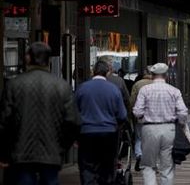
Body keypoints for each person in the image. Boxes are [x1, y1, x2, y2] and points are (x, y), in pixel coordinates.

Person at [0, 42, 80, 185]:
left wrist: (5, 154)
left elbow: (5, 122)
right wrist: (61, 148)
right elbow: (72, 122)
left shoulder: (14, 85)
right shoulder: (62, 86)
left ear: (28, 59)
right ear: (48, 60)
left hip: (21, 155)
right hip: (51, 155)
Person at [133, 62, 188, 185]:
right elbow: (183, 112)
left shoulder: (144, 90)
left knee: (148, 165)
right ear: (166, 75)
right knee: (167, 166)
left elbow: (137, 111)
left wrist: (142, 117)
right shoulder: (174, 91)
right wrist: (181, 124)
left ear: (152, 75)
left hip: (149, 129)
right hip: (169, 128)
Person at [75, 60, 128, 185]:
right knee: (107, 169)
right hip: (109, 134)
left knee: (87, 168)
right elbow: (122, 115)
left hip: (86, 133)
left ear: (93, 71)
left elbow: (74, 114)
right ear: (108, 72)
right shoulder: (114, 89)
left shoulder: (82, 88)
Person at [129, 66, 154, 171]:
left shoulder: (137, 84)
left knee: (139, 138)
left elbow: (132, 101)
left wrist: (132, 113)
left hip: (141, 116)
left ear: (144, 73)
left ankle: (139, 155)